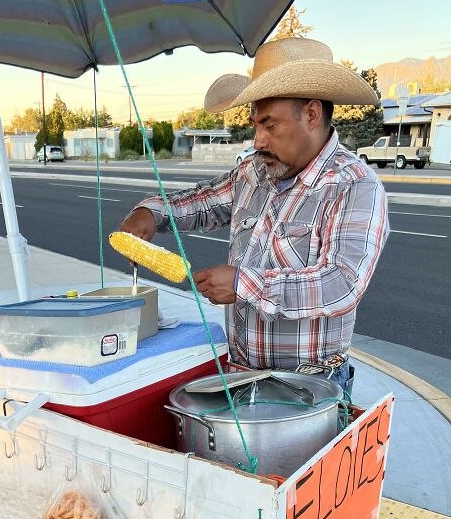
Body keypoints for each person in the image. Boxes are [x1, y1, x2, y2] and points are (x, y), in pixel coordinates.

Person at [119, 37, 389, 396]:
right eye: (255, 126)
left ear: (311, 114)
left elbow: (341, 284)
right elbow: (201, 202)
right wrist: (151, 213)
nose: (258, 141)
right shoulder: (253, 172)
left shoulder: (354, 185)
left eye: (270, 125)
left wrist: (242, 284)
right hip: (241, 373)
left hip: (309, 387)